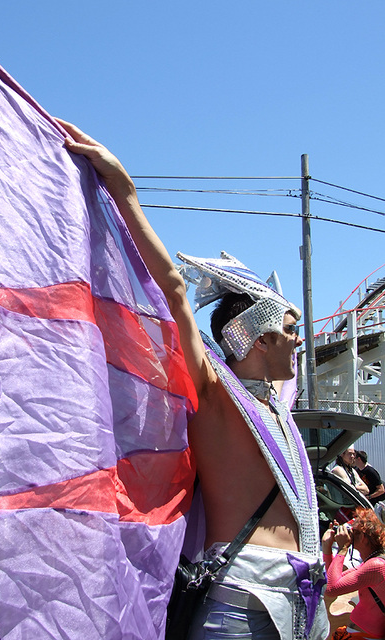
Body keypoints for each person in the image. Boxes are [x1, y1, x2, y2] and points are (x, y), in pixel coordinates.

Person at [56, 120, 329, 640]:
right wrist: (125, 190)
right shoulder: (214, 389)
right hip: (243, 597)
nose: (301, 340)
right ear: (258, 339)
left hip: (306, 595)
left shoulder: (278, 404)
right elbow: (175, 291)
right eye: (290, 330)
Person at [322, 509, 385, 639]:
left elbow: (331, 589)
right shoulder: (372, 562)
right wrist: (327, 549)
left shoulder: (376, 566)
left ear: (362, 537)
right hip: (360, 634)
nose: (349, 534)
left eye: (353, 531)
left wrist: (343, 549)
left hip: (366, 636)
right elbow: (332, 580)